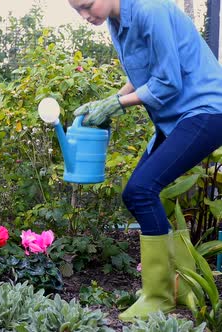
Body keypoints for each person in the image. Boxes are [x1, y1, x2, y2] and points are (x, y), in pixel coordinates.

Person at [67, 0, 222, 321]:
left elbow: (168, 81)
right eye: (77, 11)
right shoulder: (115, 23)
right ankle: (177, 286)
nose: (85, 16)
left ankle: (158, 295)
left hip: (204, 111)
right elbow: (143, 76)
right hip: (176, 119)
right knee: (135, 194)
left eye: (86, 5)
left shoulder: (151, 11)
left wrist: (118, 105)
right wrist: (111, 99)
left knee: (142, 189)